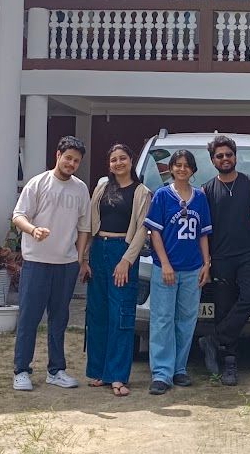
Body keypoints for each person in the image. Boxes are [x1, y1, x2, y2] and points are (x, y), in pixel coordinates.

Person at [11, 135, 91, 392]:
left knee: (59, 320)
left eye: (76, 161)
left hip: (66, 265)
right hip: (36, 262)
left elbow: (83, 227)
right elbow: (18, 215)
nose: (71, 163)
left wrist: (79, 259)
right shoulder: (38, 183)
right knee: (29, 319)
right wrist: (33, 230)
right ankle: (22, 370)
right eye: (67, 158)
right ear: (58, 155)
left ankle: (56, 370)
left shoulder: (80, 188)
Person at [84, 144, 153, 397]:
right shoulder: (102, 188)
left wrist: (126, 261)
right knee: (98, 313)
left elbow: (142, 230)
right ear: (109, 164)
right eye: (113, 159)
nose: (118, 163)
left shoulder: (141, 192)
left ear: (131, 160)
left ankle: (118, 376)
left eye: (123, 158)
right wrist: (84, 258)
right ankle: (99, 372)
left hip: (122, 251)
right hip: (99, 251)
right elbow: (89, 223)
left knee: (121, 315)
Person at [144, 149, 212, 395]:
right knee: (162, 320)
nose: (182, 168)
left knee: (185, 320)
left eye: (187, 165)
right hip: (167, 269)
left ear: (193, 170)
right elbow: (155, 233)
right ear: (171, 168)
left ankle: (179, 368)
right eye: (178, 164)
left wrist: (206, 263)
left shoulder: (200, 198)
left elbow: (203, 234)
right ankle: (161, 373)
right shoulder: (162, 196)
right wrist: (165, 264)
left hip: (192, 268)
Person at [199, 135, 250, 386]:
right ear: (213, 160)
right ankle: (229, 363)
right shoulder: (206, 190)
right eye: (219, 156)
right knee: (223, 309)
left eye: (228, 154)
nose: (225, 159)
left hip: (249, 255)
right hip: (221, 258)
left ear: (235, 156)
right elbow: (204, 229)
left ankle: (213, 339)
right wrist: (208, 261)